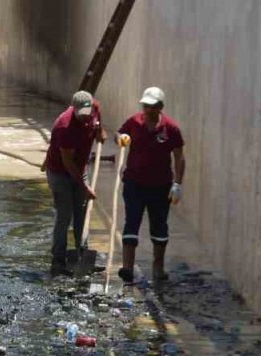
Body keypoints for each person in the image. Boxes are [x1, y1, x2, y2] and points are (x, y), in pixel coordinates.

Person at [116, 87, 185, 283]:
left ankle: (158, 268)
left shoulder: (170, 128)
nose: (147, 110)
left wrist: (177, 184)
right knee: (132, 221)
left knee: (159, 226)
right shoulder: (134, 122)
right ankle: (127, 268)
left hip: (160, 186)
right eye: (145, 106)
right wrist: (121, 139)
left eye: (152, 107)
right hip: (134, 183)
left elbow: (179, 157)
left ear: (160, 107)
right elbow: (119, 134)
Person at [45, 90, 105, 276]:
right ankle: (58, 259)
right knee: (65, 215)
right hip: (60, 172)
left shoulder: (94, 107)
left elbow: (97, 123)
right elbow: (67, 163)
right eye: (82, 118)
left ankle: (82, 252)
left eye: (88, 117)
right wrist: (84, 186)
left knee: (82, 212)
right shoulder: (64, 126)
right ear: (74, 109)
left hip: (80, 167)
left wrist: (100, 132)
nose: (86, 120)